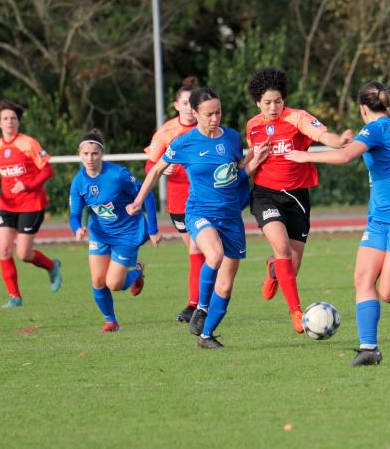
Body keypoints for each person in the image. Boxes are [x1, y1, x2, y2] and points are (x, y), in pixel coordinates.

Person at [286, 81, 390, 367]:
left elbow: (347, 155)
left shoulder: (375, 128)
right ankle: (369, 348)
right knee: (362, 279)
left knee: (389, 291)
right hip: (380, 218)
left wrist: (305, 156)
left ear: (363, 109)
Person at [128, 87, 268, 349]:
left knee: (225, 287)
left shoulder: (232, 139)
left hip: (231, 217)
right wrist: (137, 201)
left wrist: (254, 162)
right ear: (195, 113)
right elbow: (156, 170)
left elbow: (234, 176)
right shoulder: (184, 142)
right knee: (213, 255)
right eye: (208, 114)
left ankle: (206, 335)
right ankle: (200, 308)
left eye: (218, 112)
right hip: (199, 212)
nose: (215, 118)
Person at [245, 67, 353, 333]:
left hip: (297, 197)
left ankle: (274, 270)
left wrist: (337, 141)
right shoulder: (253, 126)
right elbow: (251, 158)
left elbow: (321, 135)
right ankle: (296, 312)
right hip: (264, 194)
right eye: (267, 103)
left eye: (278, 101)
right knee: (281, 247)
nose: (273, 107)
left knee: (292, 262)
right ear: (258, 103)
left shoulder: (297, 118)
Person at [69, 129, 160, 333]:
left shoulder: (118, 175)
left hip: (127, 233)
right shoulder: (78, 182)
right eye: (85, 154)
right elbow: (74, 214)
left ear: (102, 154)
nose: (90, 158)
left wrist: (153, 229)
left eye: (94, 153)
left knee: (114, 284)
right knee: (97, 281)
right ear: (80, 154)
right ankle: (111, 321)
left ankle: (136, 271)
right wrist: (77, 228)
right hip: (100, 233)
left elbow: (149, 196)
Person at [0, 100, 62, 309]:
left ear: (18, 122)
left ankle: (52, 266)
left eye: (13, 118)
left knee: (24, 255)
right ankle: (15, 297)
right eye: (5, 118)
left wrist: (27, 185)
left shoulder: (29, 143)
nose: (9, 121)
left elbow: (47, 170)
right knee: (4, 249)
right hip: (6, 205)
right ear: (0, 123)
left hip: (31, 204)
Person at [144, 77, 206, 324]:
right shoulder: (167, 132)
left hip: (204, 199)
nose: (190, 108)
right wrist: (162, 169)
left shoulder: (206, 127)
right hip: (179, 201)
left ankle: (195, 305)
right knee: (195, 252)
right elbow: (150, 164)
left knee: (197, 248)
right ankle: (201, 300)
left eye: (193, 103)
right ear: (176, 105)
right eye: (185, 103)